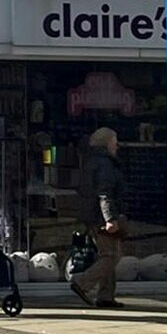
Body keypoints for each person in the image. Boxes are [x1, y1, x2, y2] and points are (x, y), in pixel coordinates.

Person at [71, 127, 128, 309]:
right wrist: (110, 219)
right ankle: (82, 282)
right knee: (111, 256)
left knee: (107, 254)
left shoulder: (91, 161)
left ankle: (106, 295)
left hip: (92, 215)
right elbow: (104, 193)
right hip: (101, 216)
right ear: (107, 143)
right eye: (114, 141)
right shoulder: (105, 164)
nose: (117, 145)